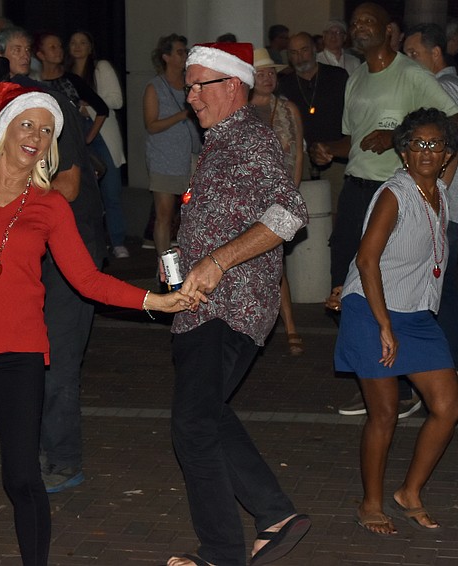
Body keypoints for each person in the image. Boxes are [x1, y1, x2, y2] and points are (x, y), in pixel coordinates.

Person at [0, 80, 192, 566]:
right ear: (5, 129)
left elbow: (88, 280)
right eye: (27, 124)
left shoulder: (50, 206)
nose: (36, 136)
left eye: (47, 130)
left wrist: (154, 301)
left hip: (20, 353)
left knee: (22, 477)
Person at [166, 42, 310, 566]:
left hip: (229, 306)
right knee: (206, 416)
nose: (190, 96)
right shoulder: (220, 142)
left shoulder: (249, 137)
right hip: (200, 307)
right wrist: (178, 270)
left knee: (194, 424)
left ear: (232, 86)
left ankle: (222, 554)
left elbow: (290, 213)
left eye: (200, 84)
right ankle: (275, 513)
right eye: (187, 84)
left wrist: (218, 262)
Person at [309, 2, 458, 420]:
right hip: (357, 189)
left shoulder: (410, 74)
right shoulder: (355, 78)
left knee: (398, 286)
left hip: (394, 190)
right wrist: (328, 150)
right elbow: (354, 140)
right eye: (354, 22)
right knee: (347, 286)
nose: (358, 28)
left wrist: (404, 144)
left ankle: (405, 381)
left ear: (388, 30)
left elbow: (457, 125)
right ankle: (375, 383)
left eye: (367, 22)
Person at [0, 26, 110, 494]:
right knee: (24, 351)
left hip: (71, 245)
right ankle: (35, 451)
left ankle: (62, 460)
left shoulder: (46, 113)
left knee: (57, 356)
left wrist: (7, 200)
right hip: (32, 248)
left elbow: (70, 185)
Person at [334, 107, 458, 535]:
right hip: (371, 309)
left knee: (448, 406)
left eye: (435, 144)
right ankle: (370, 502)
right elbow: (366, 259)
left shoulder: (440, 192)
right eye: (417, 144)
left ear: (447, 154)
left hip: (416, 313)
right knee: (385, 413)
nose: (426, 152)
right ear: (404, 152)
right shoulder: (395, 193)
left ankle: (409, 492)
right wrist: (383, 325)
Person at [404, 23, 458, 387]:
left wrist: (431, 197)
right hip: (452, 205)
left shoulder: (442, 89)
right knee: (442, 287)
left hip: (443, 207)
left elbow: (443, 150)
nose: (409, 61)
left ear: (436, 54)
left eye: (414, 54)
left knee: (440, 289)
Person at [250, 47, 305, 357]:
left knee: (277, 260)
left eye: (271, 72)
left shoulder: (288, 109)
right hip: (247, 200)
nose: (268, 77)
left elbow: (298, 155)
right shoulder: (238, 110)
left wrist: (291, 197)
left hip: (279, 198)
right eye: (261, 73)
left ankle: (291, 326)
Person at [67, 30, 130, 258]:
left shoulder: (100, 67)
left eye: (83, 42)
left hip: (101, 131)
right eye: (73, 42)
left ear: (91, 47)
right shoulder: (64, 73)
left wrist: (88, 104)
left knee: (110, 191)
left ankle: (118, 241)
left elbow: (116, 101)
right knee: (84, 194)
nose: (78, 46)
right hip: (76, 131)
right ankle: (91, 244)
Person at [143, 34, 201, 260]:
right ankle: (165, 268)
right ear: (166, 57)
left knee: (195, 214)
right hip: (165, 159)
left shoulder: (191, 84)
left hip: (192, 158)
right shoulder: (154, 87)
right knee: (164, 215)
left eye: (185, 51)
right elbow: (151, 125)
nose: (185, 55)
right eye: (179, 52)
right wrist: (182, 115)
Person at [277, 31, 349, 213]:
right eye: (293, 53)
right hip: (302, 160)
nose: (299, 57)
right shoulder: (285, 84)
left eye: (304, 50)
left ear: (315, 49)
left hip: (335, 156)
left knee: (337, 210)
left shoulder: (338, 77)